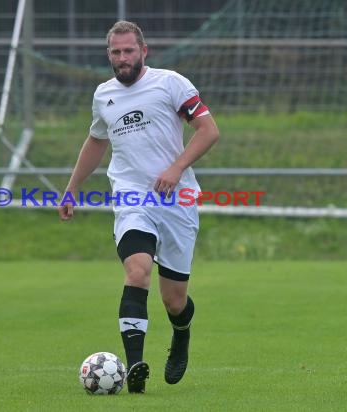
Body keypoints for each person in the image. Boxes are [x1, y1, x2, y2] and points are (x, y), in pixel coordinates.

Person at [58, 20, 219, 393]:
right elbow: (96, 142)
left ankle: (181, 336)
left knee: (174, 300)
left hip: (177, 202)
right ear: (109, 55)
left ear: (143, 51)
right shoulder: (104, 95)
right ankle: (134, 370)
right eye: (116, 52)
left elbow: (209, 130)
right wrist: (71, 189)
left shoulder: (170, 83)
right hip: (132, 198)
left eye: (129, 50)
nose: (122, 58)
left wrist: (177, 168)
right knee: (137, 270)